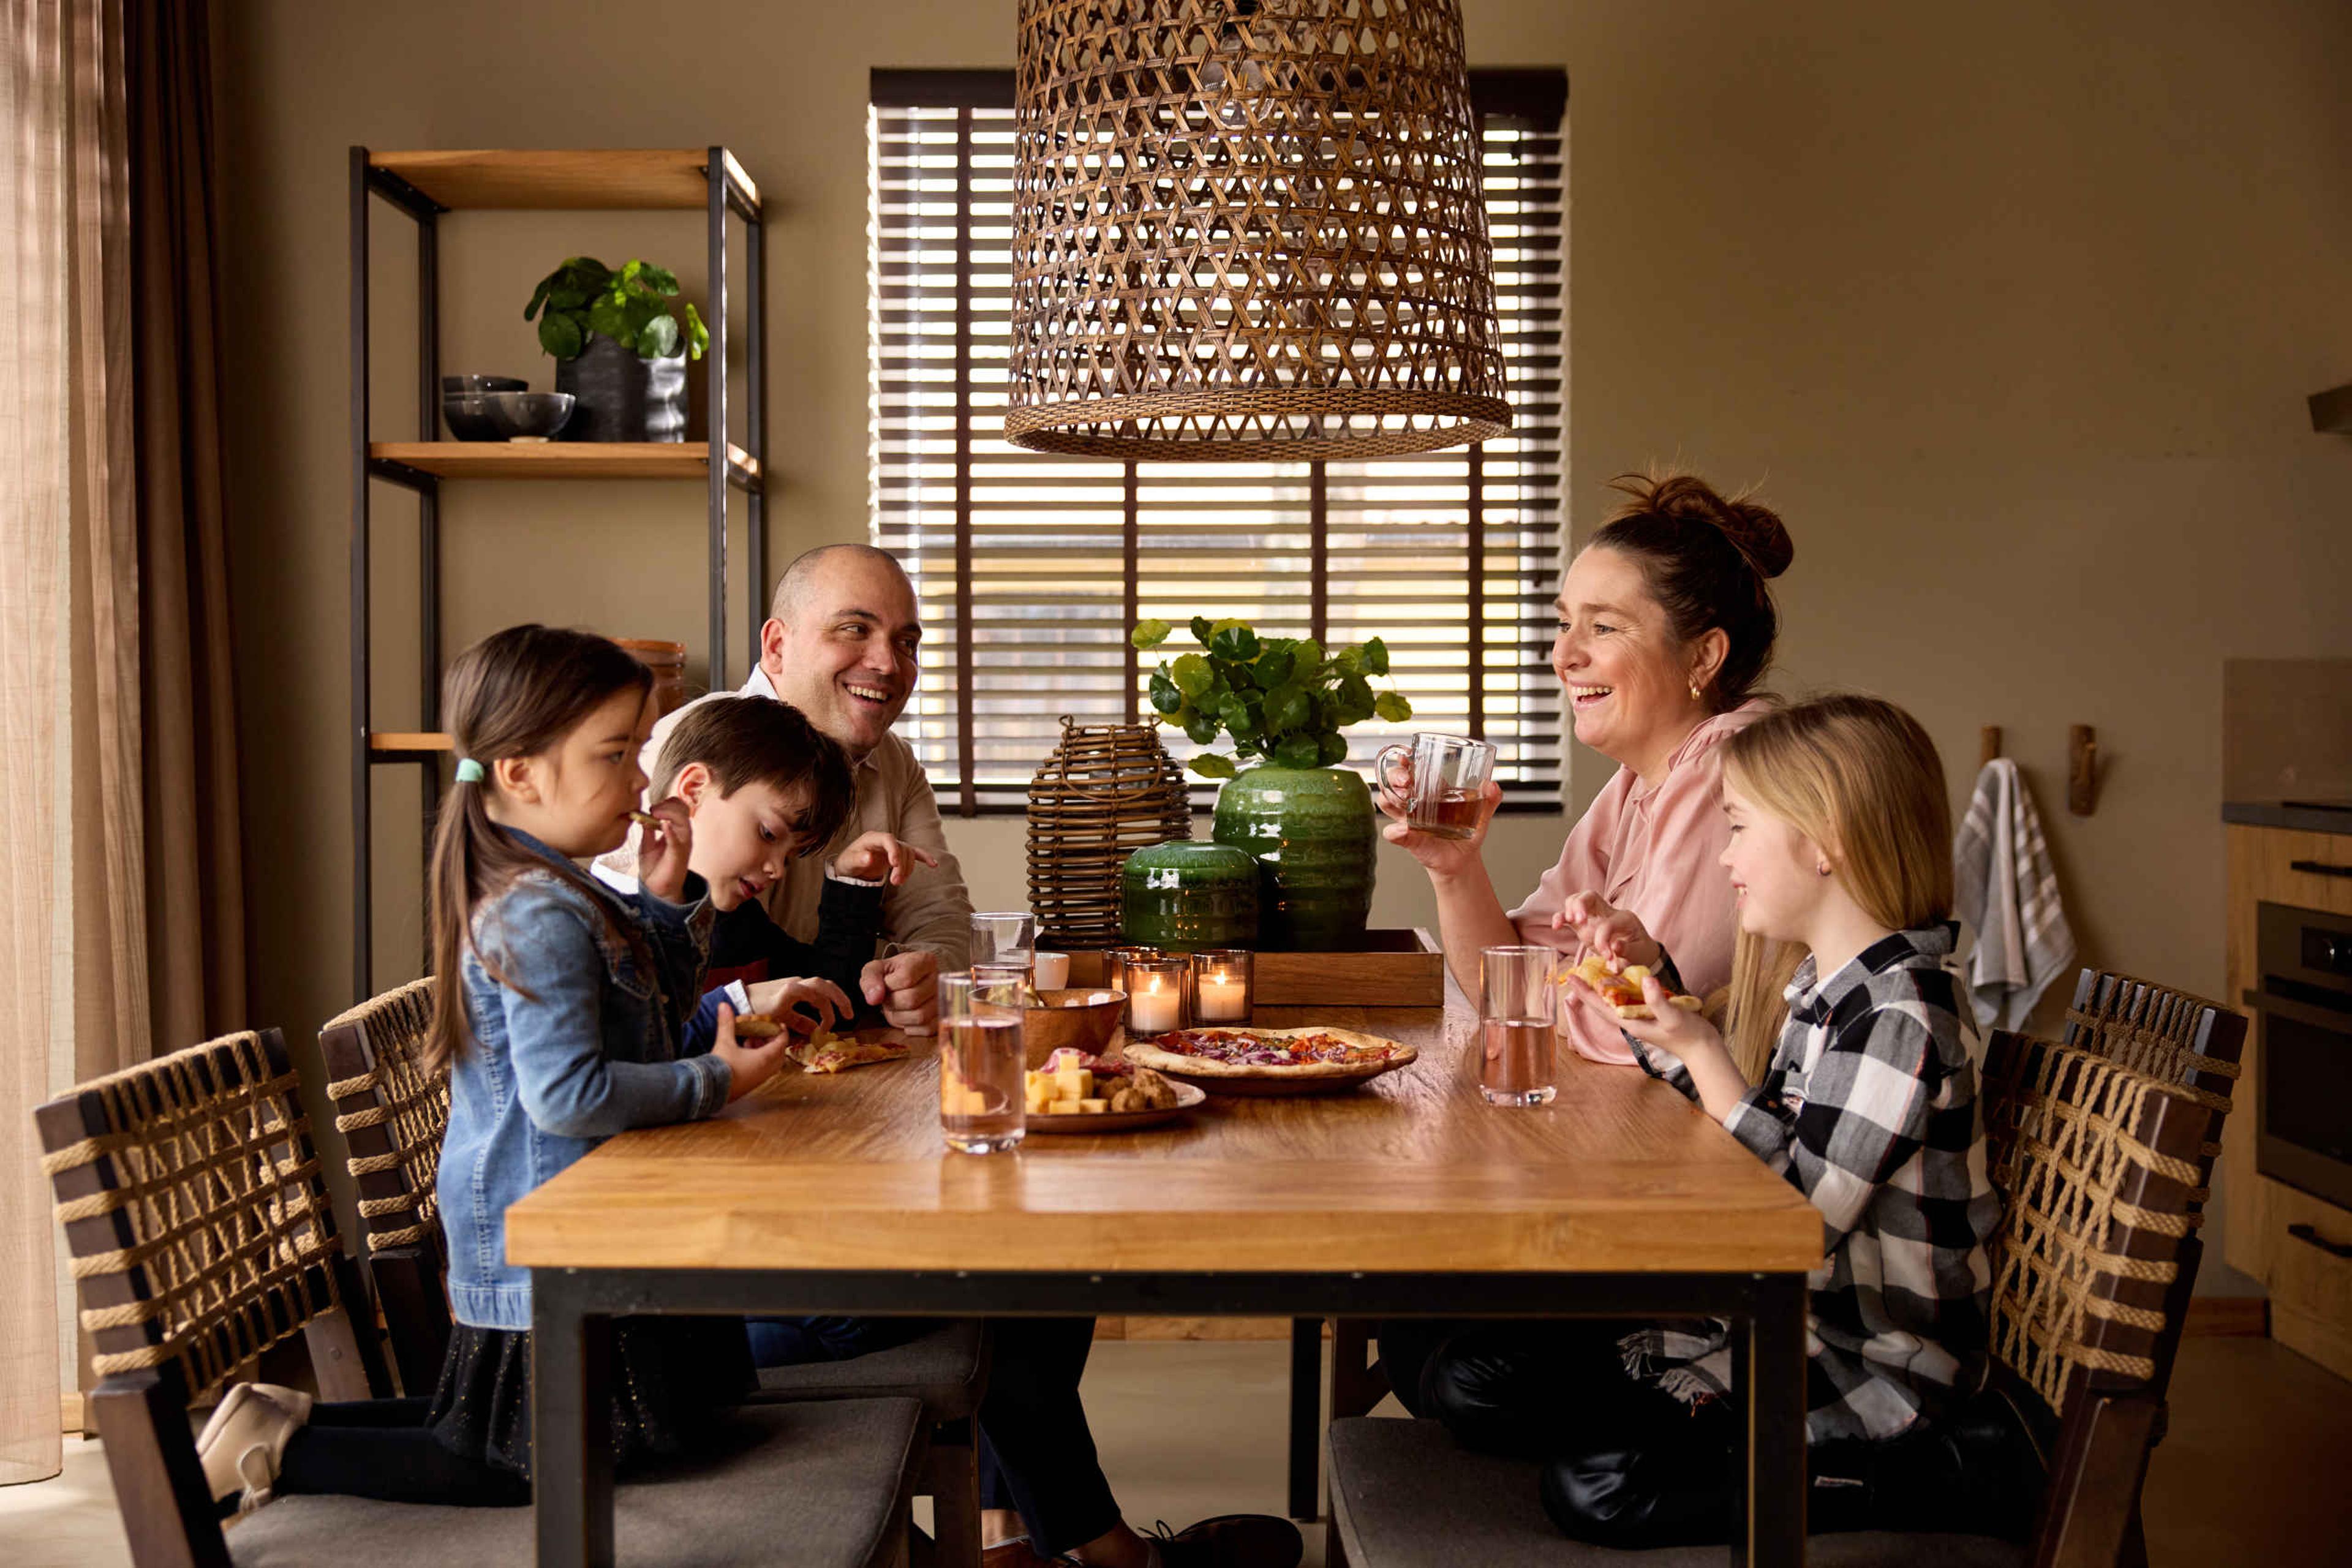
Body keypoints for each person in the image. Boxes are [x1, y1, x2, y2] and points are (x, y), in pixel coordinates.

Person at [627, 684, 1301, 1568]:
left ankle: (1013, 1538)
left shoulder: (701, 903)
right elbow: (634, 1059)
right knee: (1021, 1287)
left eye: (792, 847)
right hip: (702, 1309)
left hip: (725, 1252)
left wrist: (846, 899)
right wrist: (732, 1009)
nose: (776, 863)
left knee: (1039, 1277)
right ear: (692, 789)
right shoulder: (633, 918)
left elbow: (809, 1005)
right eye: (769, 834)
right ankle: (1098, 1552)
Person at [194, 625, 824, 1510]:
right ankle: (281, 1451)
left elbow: (650, 1025)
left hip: (582, 1230)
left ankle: (277, 1423)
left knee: (527, 1434)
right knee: (515, 1463)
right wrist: (715, 1081)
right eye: (616, 754)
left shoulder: (573, 893)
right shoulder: (536, 913)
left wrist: (662, 900)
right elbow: (569, 1099)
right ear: (523, 773)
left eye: (638, 750)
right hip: (544, 1249)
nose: (638, 777)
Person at [1406, 696, 2034, 1548]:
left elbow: (1794, 1229)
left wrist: (1704, 1052)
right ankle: (1674, 1429)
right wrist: (1649, 992)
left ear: (1823, 841)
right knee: (1450, 1361)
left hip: (1862, 1367)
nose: (1727, 857)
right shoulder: (1828, 986)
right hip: (1761, 1324)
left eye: (1739, 828)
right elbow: (1763, 1138)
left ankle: (1941, 1474)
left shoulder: (1903, 1016)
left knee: (1598, 1487)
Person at [1379, 471, 1795, 1071]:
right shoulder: (1639, 779)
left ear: (1703, 655)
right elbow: (1506, 984)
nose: (1564, 654)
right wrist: (1455, 867)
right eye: (1565, 621)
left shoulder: (1728, 764)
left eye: (1602, 627)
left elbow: (1640, 1027)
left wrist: (1546, 997)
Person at [614, 542, 973, 1032]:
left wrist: (928, 972)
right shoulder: (683, 750)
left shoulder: (895, 761)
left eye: (907, 643)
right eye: (855, 630)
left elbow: (939, 918)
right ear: (777, 646)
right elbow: (621, 983)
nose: (889, 664)